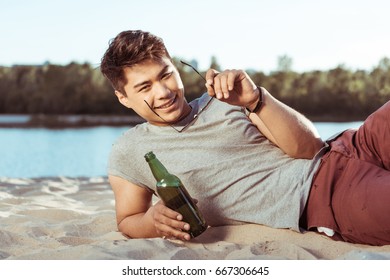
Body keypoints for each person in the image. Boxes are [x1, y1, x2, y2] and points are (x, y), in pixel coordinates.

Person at [100, 30, 390, 246]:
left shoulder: (226, 97)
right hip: (326, 198)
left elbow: (311, 149)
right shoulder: (130, 150)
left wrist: (256, 99)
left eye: (165, 75)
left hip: (353, 145)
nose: (162, 92)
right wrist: (152, 221)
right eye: (145, 87)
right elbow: (127, 220)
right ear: (123, 97)